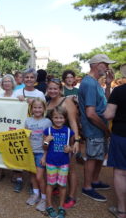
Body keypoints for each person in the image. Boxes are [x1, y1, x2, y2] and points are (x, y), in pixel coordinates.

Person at [78, 54, 115, 202]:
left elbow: (105, 102)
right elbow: (91, 113)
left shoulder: (95, 83)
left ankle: (94, 181)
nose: (107, 67)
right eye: (105, 64)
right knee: (93, 157)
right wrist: (106, 130)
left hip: (99, 127)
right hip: (94, 128)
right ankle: (87, 187)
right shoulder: (89, 83)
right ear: (96, 64)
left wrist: (108, 84)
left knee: (99, 156)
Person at [46, 78, 80, 208]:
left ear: (60, 89)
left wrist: (76, 140)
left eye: (55, 88)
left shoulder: (67, 101)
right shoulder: (48, 101)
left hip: (68, 139)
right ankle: (58, 186)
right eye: (50, 88)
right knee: (57, 164)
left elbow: (73, 122)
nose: (53, 91)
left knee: (70, 168)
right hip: (54, 140)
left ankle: (71, 196)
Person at [12, 68, 45, 192]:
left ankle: (34, 183)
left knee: (33, 154)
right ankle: (19, 179)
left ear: (35, 79)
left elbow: (43, 111)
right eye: (27, 77)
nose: (29, 79)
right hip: (20, 127)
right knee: (19, 153)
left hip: (35, 129)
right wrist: (17, 100)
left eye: (32, 77)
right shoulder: (17, 92)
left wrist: (33, 103)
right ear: (23, 78)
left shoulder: (40, 94)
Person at [43, 106, 75, 218]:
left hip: (64, 163)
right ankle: (49, 206)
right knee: (50, 184)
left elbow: (71, 146)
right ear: (52, 118)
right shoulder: (48, 130)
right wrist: (46, 141)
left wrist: (70, 149)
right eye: (56, 117)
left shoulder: (69, 131)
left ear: (65, 119)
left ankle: (61, 207)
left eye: (61, 118)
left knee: (62, 185)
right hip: (51, 162)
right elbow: (44, 147)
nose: (58, 120)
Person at [103, 71, 126, 218]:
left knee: (120, 172)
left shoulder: (120, 90)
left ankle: (122, 210)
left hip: (121, 135)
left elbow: (108, 115)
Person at [25, 98, 52, 212]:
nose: (37, 109)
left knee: (39, 176)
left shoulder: (47, 122)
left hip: (41, 152)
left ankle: (44, 198)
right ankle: (36, 194)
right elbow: (25, 137)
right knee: (32, 174)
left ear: (44, 109)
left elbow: (48, 141)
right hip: (30, 152)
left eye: (40, 107)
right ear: (31, 109)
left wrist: (45, 155)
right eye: (35, 107)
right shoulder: (27, 121)